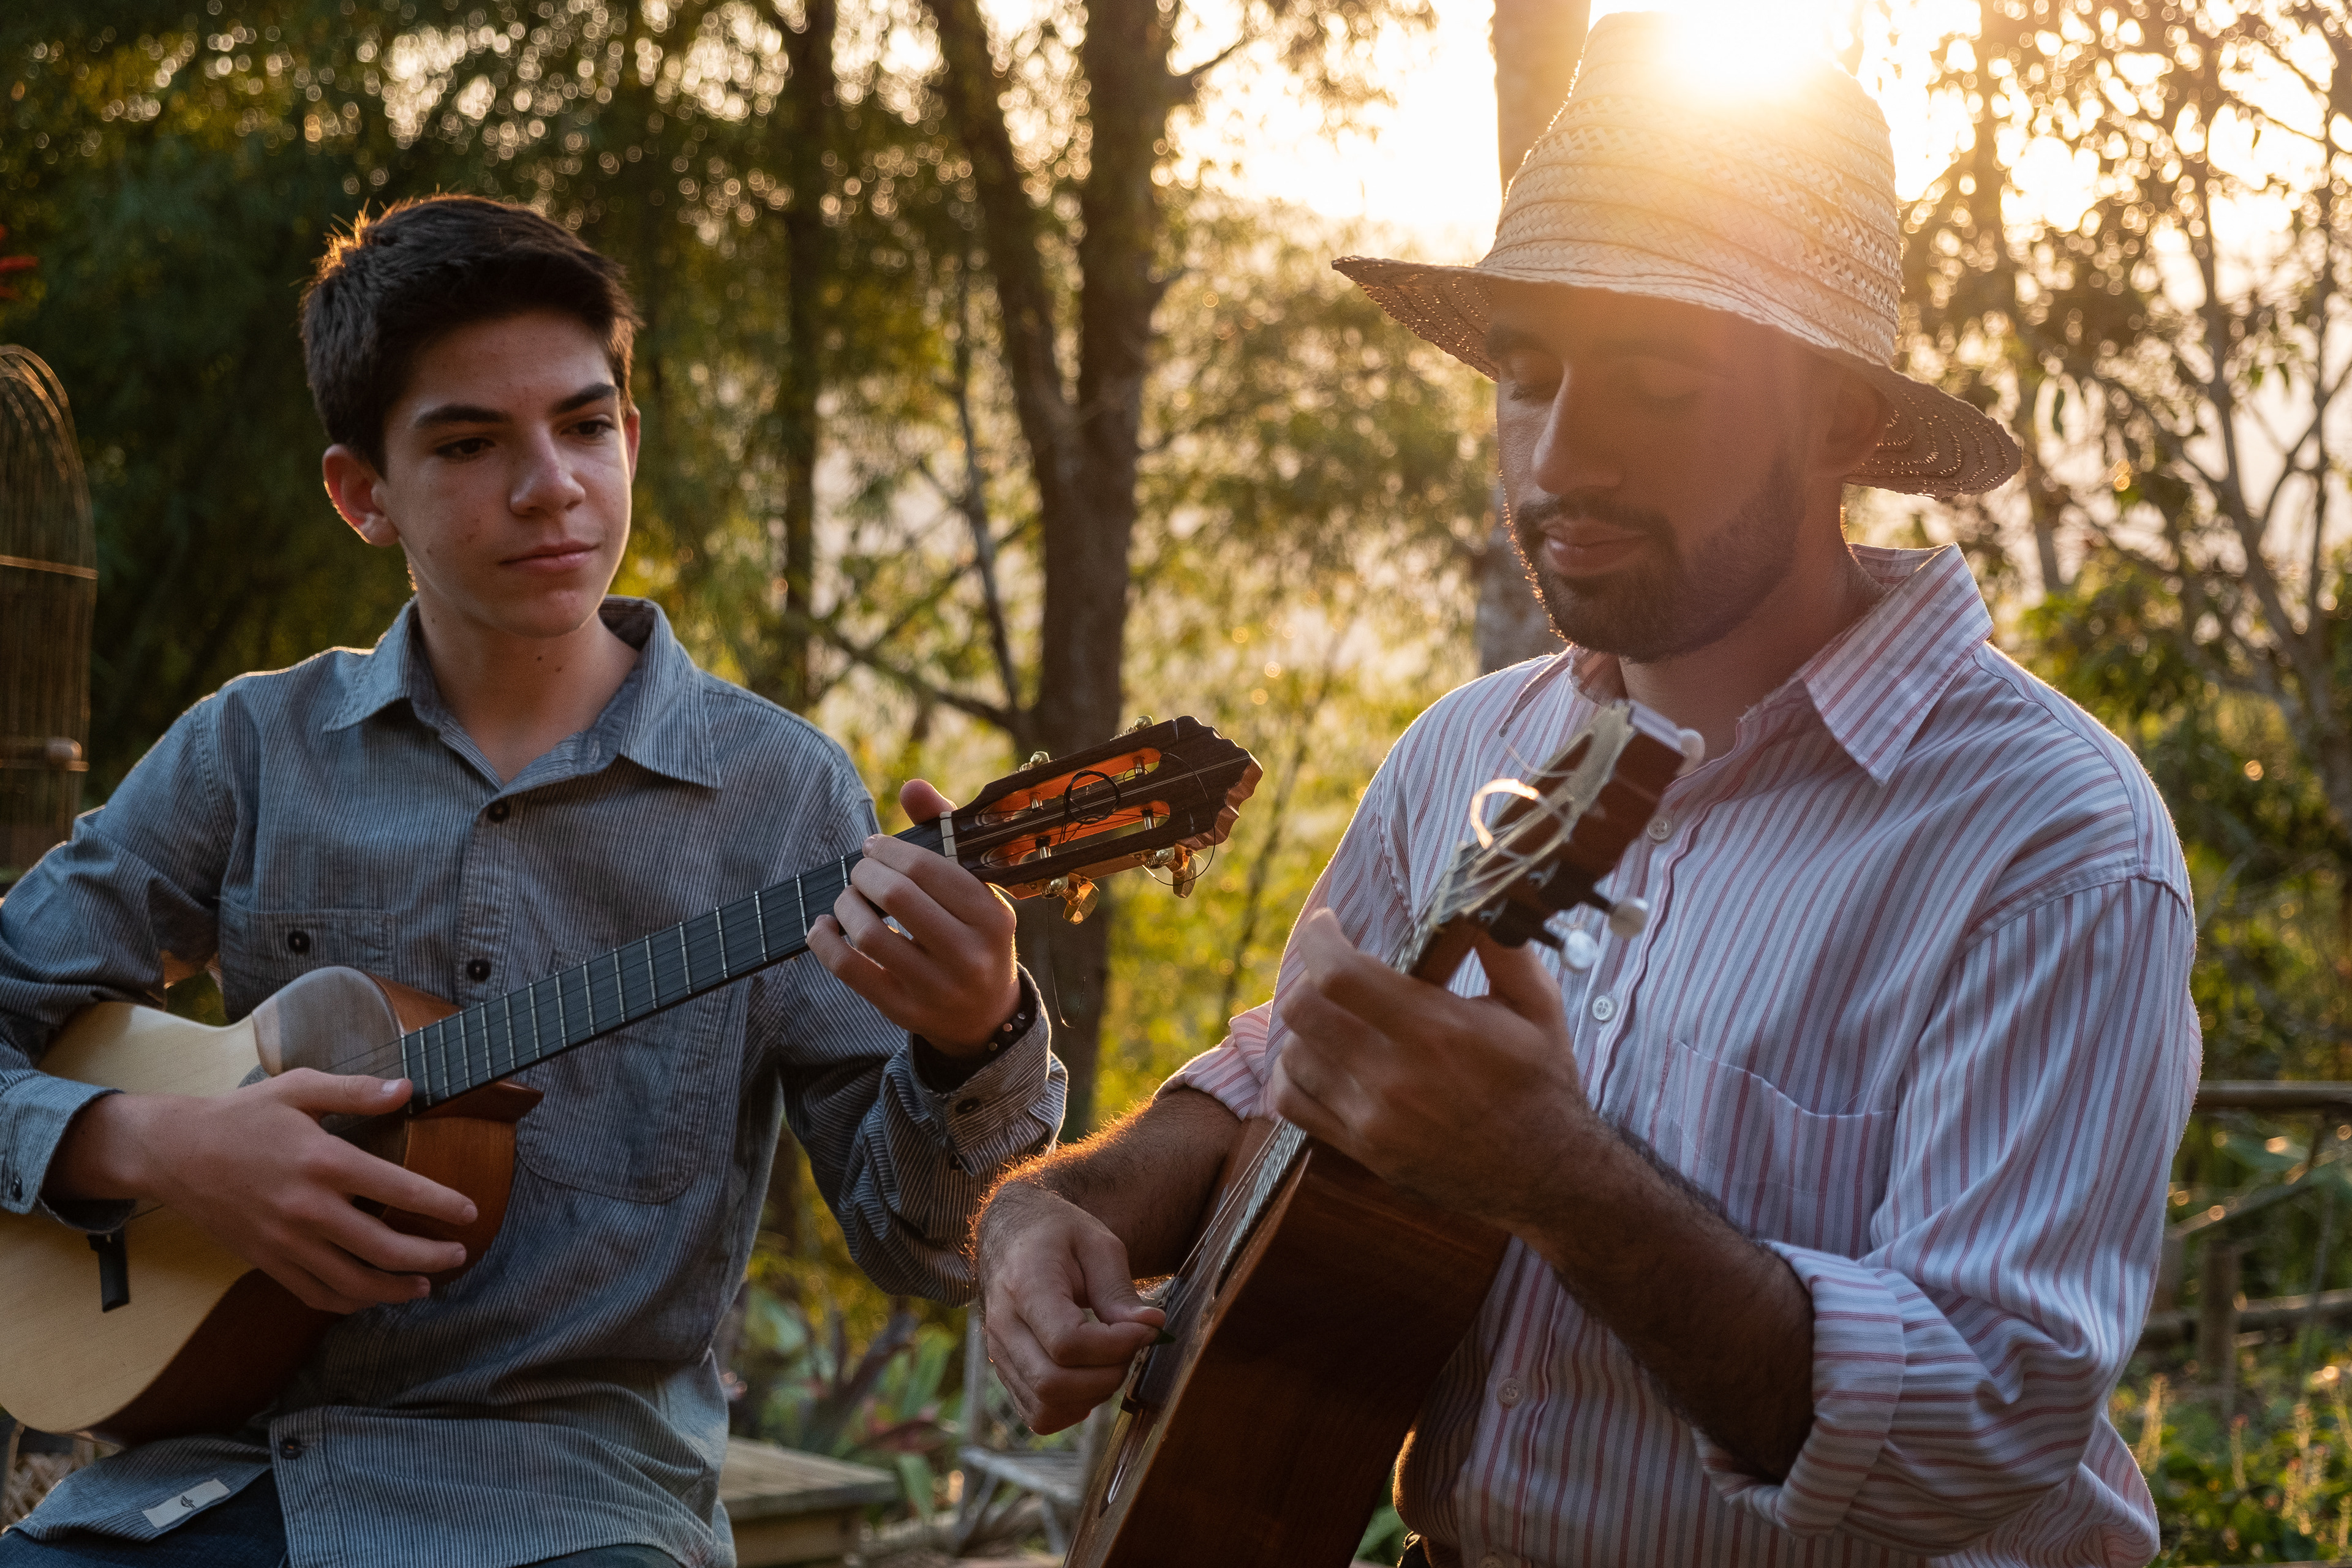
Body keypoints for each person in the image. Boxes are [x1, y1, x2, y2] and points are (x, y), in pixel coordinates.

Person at [974, 16, 2199, 1567]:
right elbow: (1282, 1069)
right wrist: (1055, 1204)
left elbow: (1978, 1436)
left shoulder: (2050, 842)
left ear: (1834, 417)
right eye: (1527, 378)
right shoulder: (1460, 753)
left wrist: (1552, 1176)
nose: (1561, 459)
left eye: (1657, 383)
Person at [0, 195, 1079, 1567]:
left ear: (629, 437)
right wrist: (159, 1148)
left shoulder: (782, 796)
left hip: (573, 1505)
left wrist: (970, 1032)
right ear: (360, 493)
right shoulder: (250, 753)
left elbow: (921, 1243)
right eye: (469, 443)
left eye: (583, 426)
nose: (549, 484)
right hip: (217, 1477)